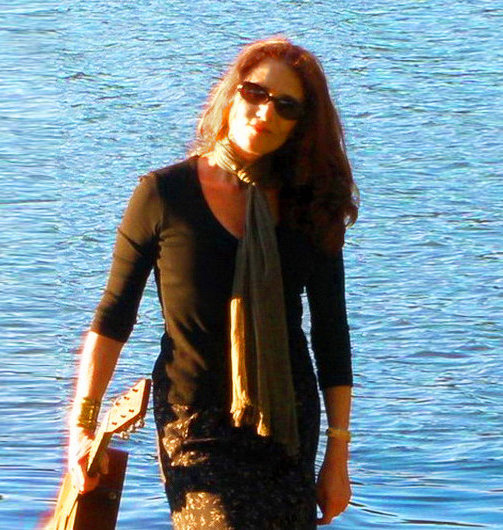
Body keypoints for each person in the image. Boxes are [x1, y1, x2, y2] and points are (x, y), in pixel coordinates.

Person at [68, 36, 358, 529]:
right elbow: (114, 316)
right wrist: (83, 424)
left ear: (301, 125)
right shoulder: (164, 194)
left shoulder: (310, 206)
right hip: (193, 422)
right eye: (255, 92)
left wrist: (337, 455)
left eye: (286, 106)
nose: (265, 112)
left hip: (286, 424)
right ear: (231, 93)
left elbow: (331, 333)